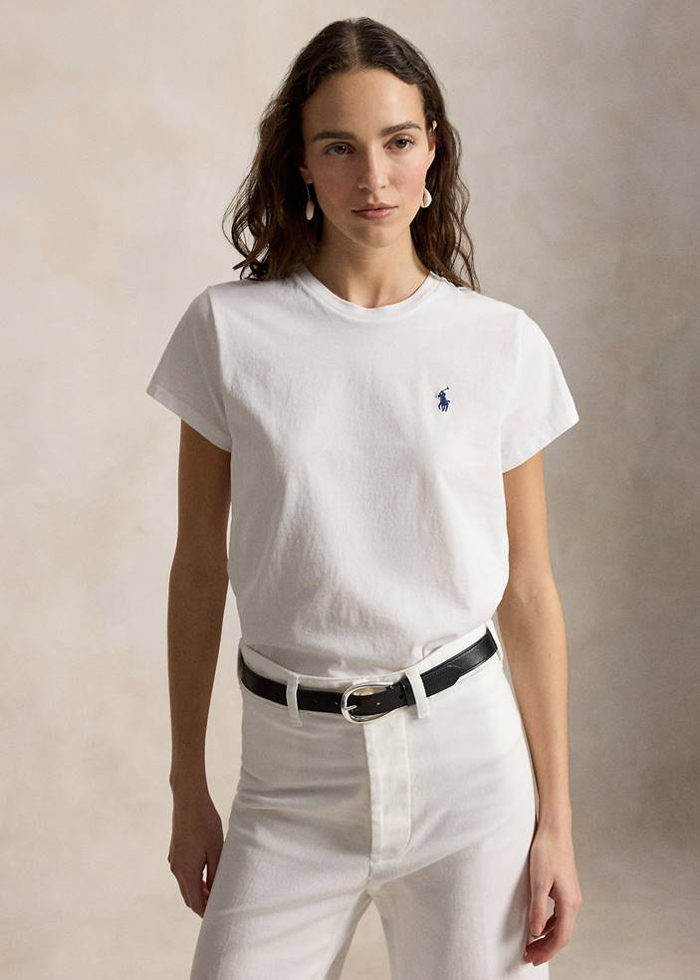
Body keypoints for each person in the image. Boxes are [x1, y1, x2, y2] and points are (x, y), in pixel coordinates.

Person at [146, 16, 583, 979]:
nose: (373, 178)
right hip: (289, 777)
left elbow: (529, 591)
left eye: (398, 142)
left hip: (470, 772)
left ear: (434, 151)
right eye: (339, 147)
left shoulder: (499, 343)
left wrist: (555, 820)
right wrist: (187, 787)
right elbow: (198, 569)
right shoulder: (228, 333)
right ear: (300, 163)